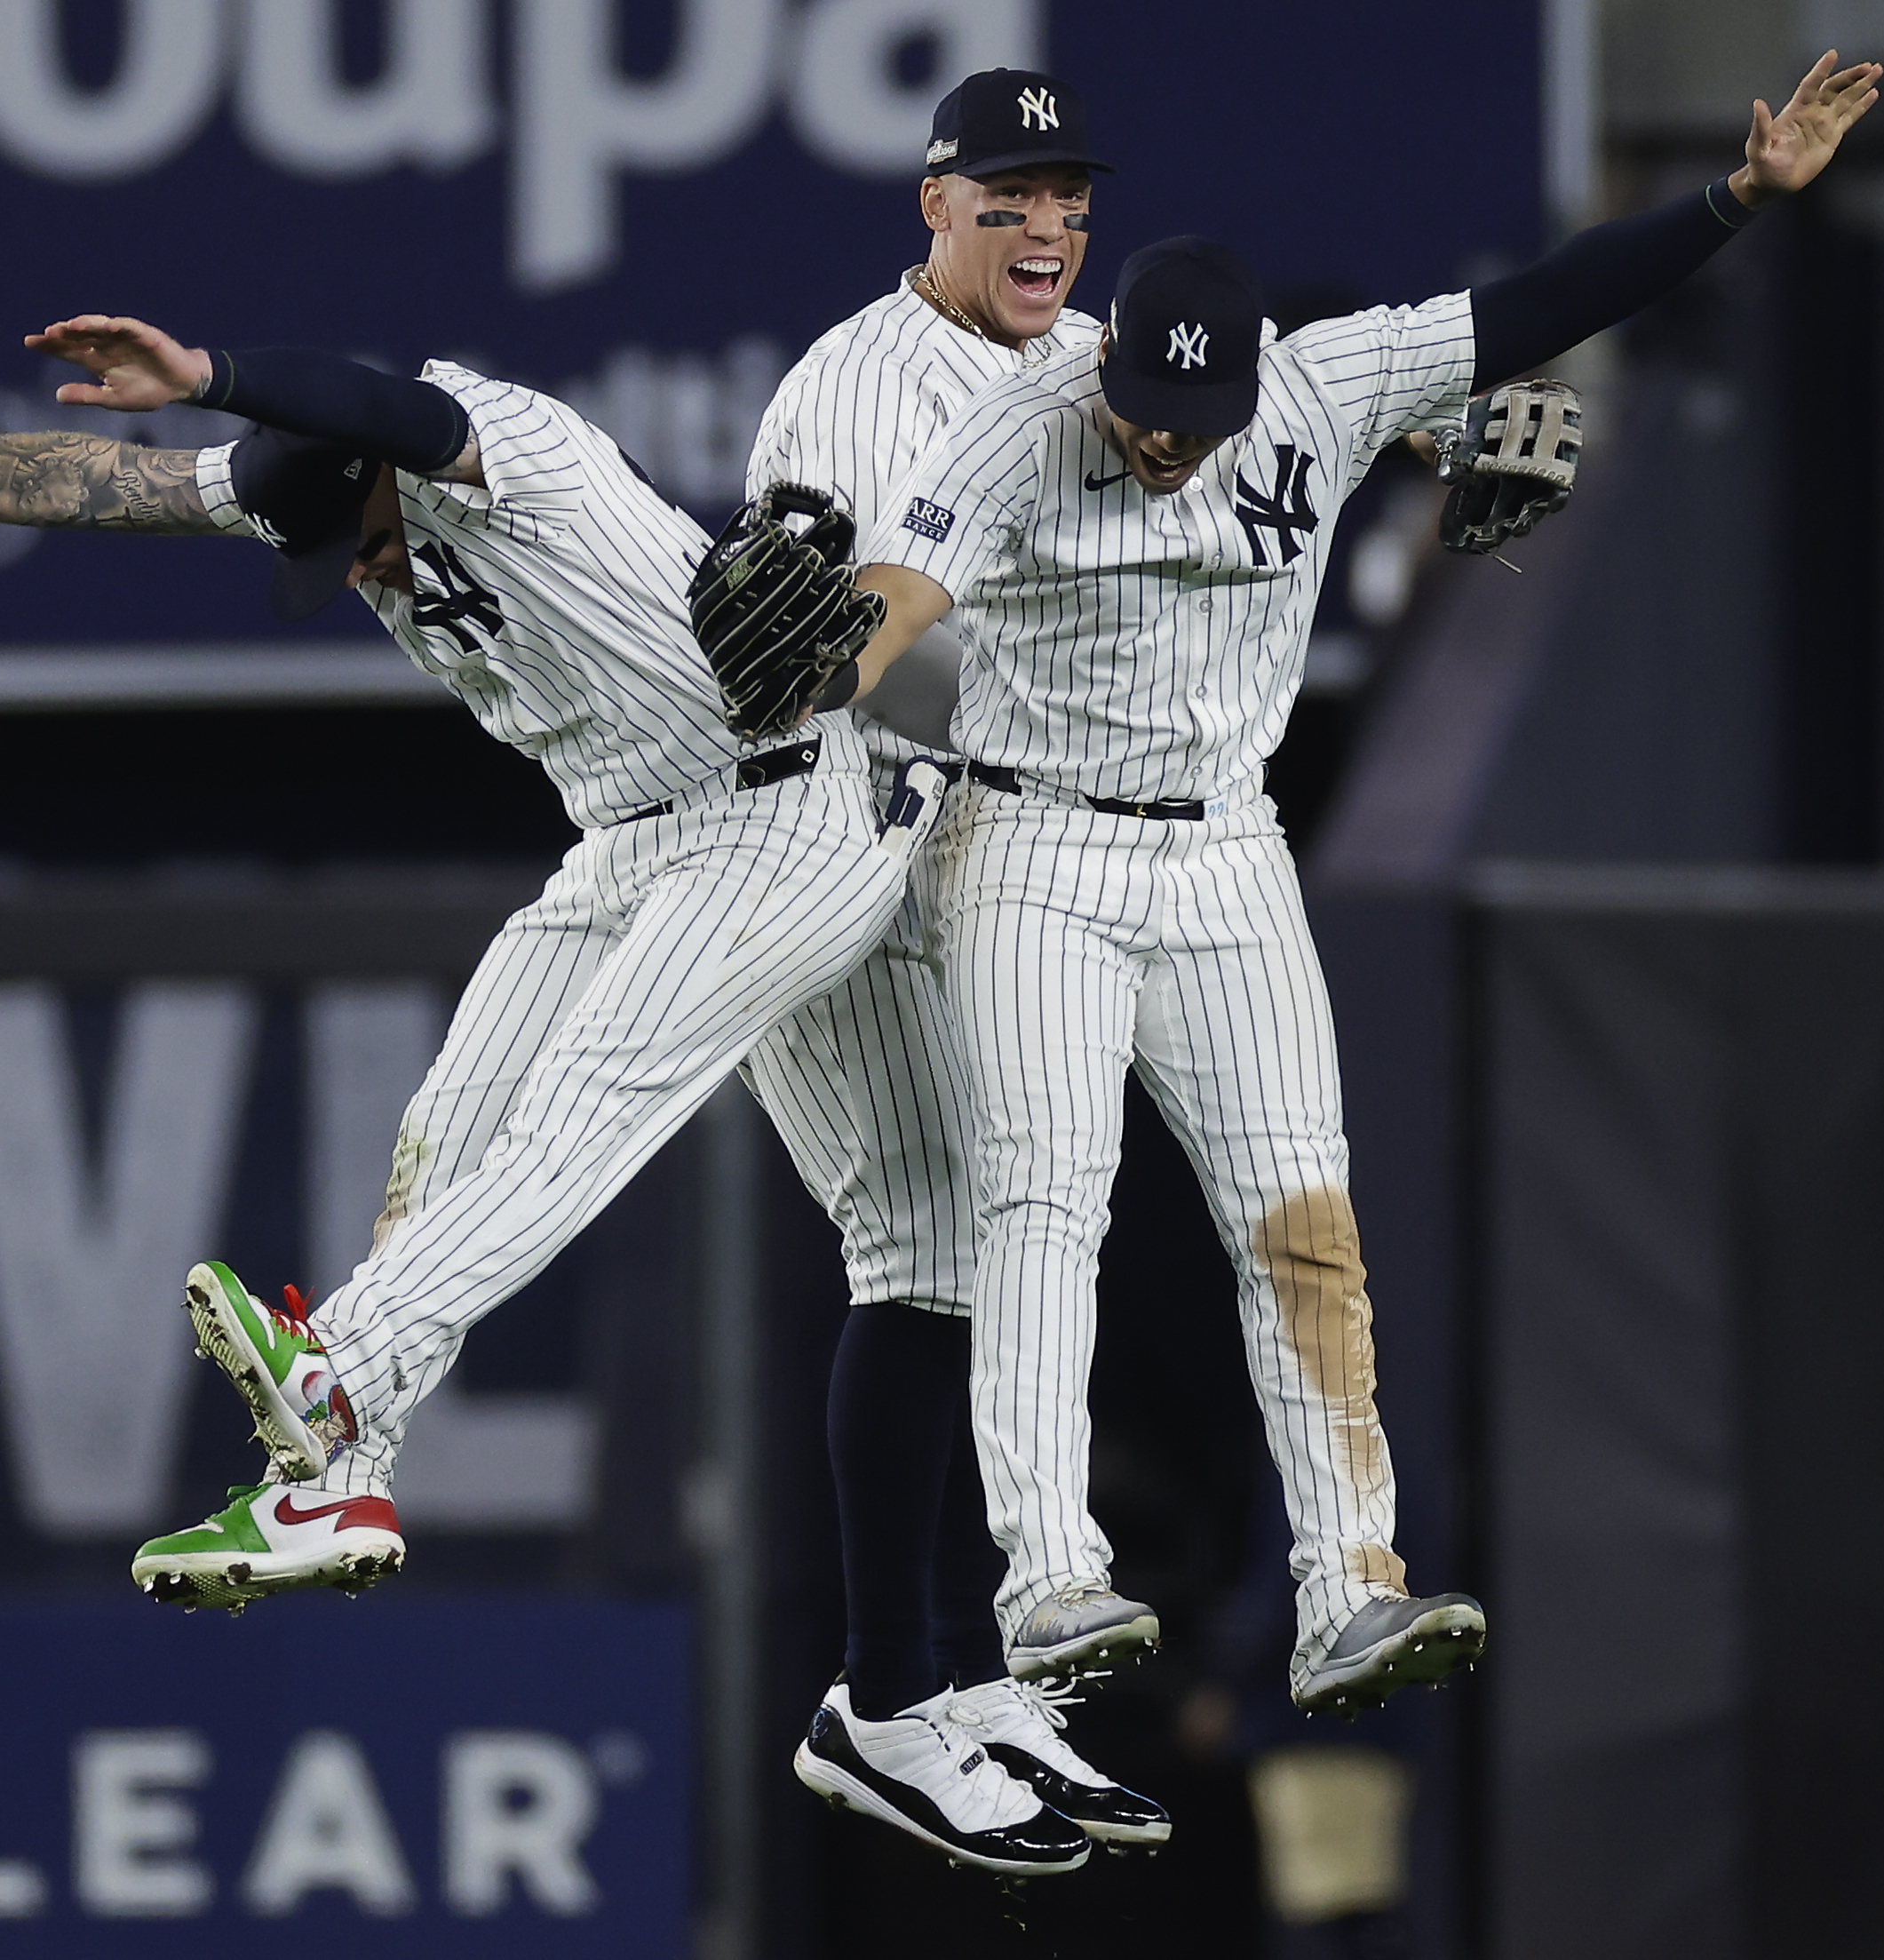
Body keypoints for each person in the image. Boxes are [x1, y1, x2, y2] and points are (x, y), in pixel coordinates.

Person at [0, 323, 1087, 1872]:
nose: (355, 570)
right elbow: (97, 486)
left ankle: (339, 1371)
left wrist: (211, 367)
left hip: (792, 809)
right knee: (450, 1135)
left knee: (586, 1112)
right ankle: (336, 1486)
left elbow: (376, 400)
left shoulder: (488, 443)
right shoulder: (323, 481)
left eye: (359, 533)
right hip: (627, 841)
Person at [829, 52, 1884, 1714]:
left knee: (1302, 1222)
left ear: (1252, 379)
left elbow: (1544, 305)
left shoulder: (1323, 383)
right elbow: (899, 584)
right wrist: (834, 658)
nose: (1168, 448)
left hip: (1230, 847)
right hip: (1032, 841)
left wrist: (1735, 199)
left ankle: (1349, 1586)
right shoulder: (1022, 418)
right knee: (1042, 1205)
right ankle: (1047, 1577)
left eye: (1198, 420)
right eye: (1144, 417)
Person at [737, 68, 1170, 1861]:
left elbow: (1238, 407)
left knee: (1002, 1230)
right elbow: (818, 643)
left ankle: (933, 1679)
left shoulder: (1083, 345)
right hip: (808, 826)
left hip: (949, 826)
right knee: (925, 1240)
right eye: (1006, 196)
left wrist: (1435, 433)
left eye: (1065, 190)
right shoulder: (854, 393)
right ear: (931, 207)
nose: (1046, 222)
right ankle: (886, 1694)